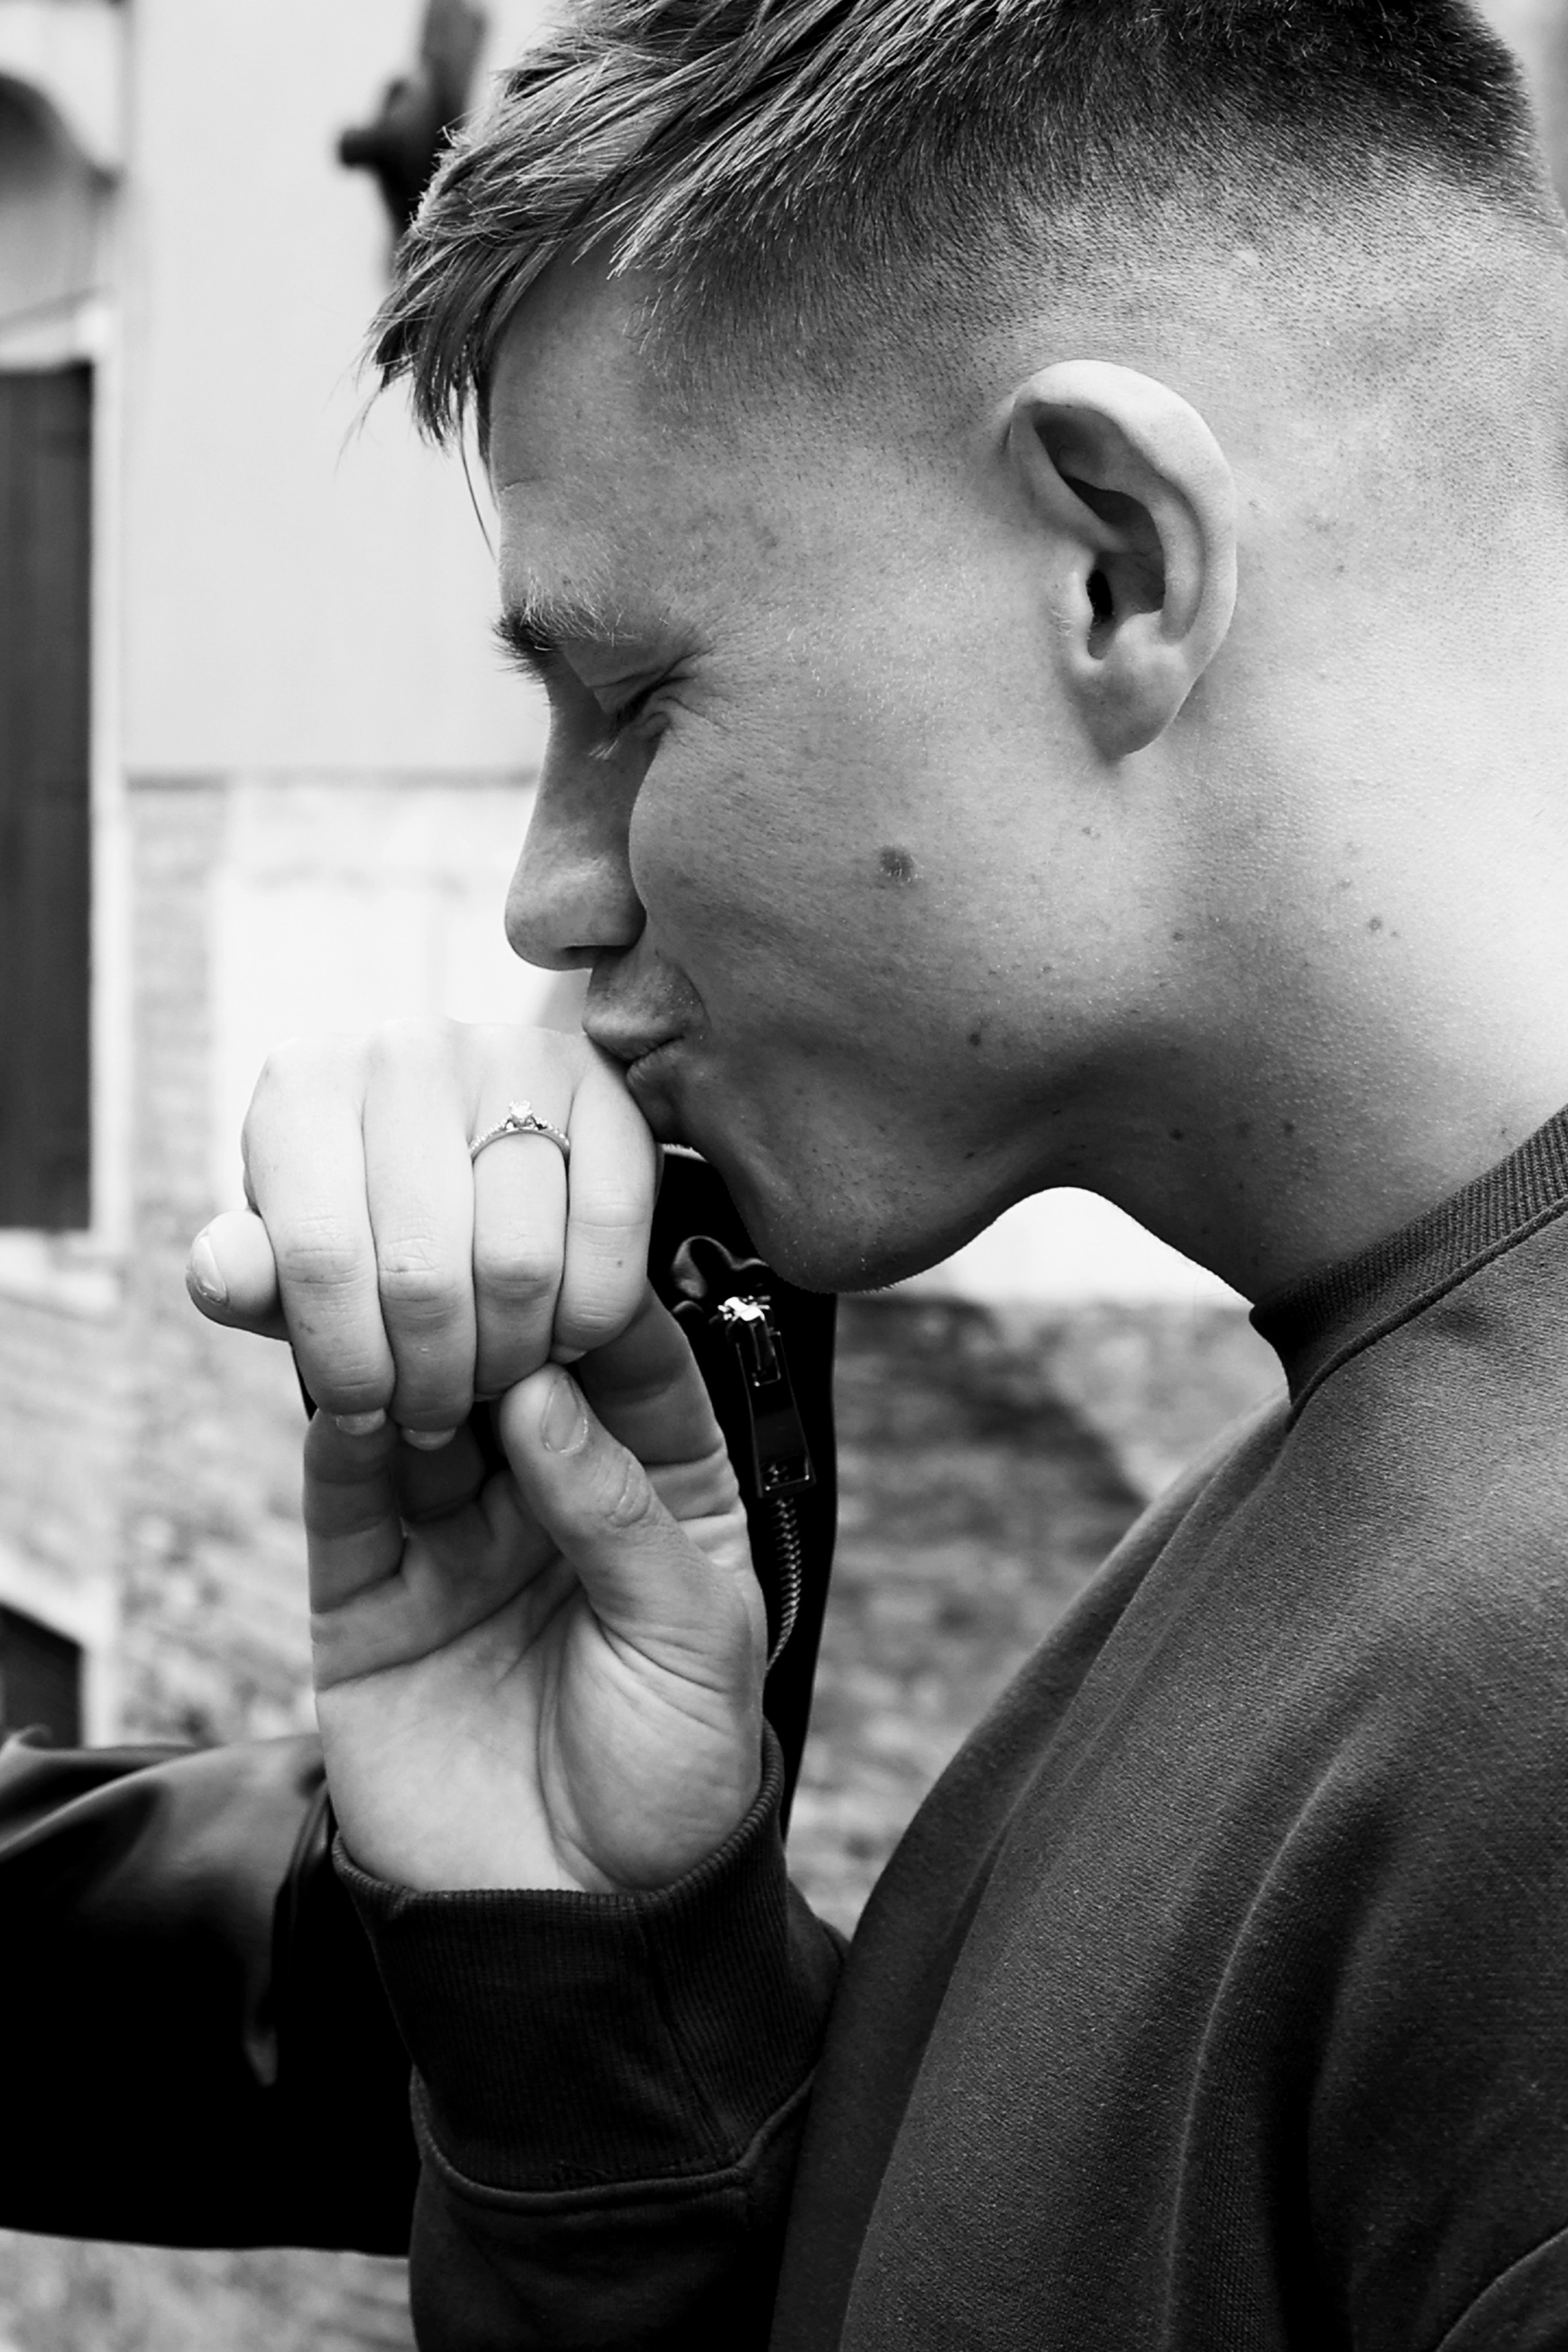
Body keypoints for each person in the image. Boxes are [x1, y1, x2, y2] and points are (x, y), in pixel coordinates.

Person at [185, 0, 1568, 2342]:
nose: (553, 894)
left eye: (630, 700)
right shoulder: (1313, 1537)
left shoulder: (1517, 1713)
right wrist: (587, 1988)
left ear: (1115, 569)